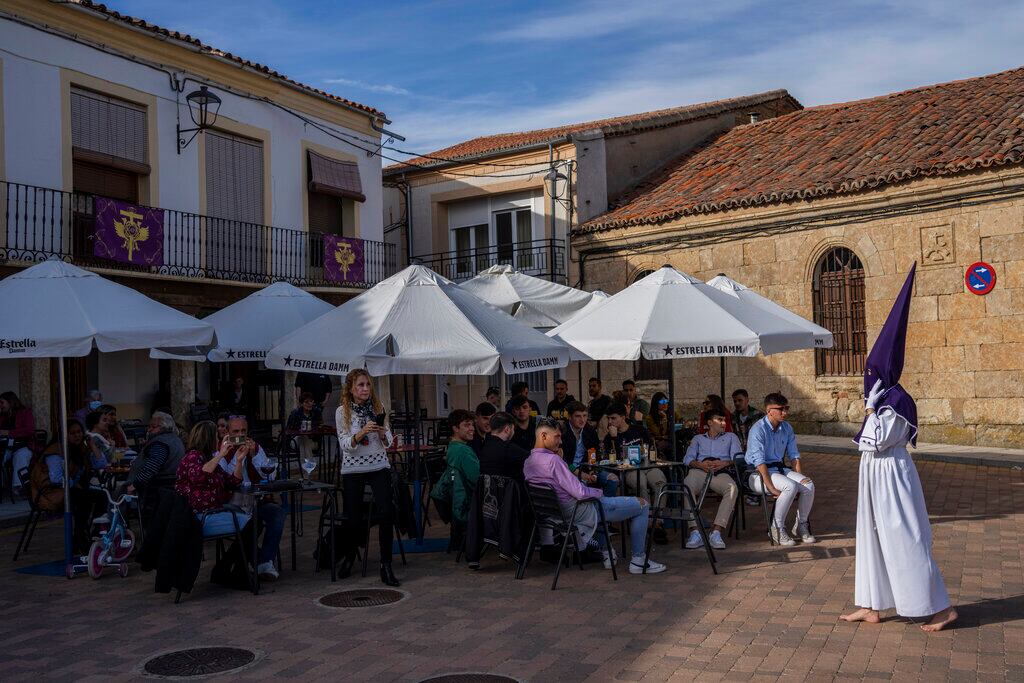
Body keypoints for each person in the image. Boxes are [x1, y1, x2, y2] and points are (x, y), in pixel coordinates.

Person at [840, 264, 957, 632]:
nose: (867, 379)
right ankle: (872, 605)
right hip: (873, 474)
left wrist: (872, 408)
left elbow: (877, 439)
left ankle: (940, 609)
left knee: (904, 537)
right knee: (871, 537)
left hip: (891, 473)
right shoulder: (884, 397)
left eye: (871, 372)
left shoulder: (896, 402)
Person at [524, 417, 667, 574]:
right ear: (544, 436)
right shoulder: (553, 461)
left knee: (599, 504)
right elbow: (580, 493)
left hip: (556, 513)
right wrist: (599, 493)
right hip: (577, 511)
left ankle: (607, 553)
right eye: (557, 437)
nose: (561, 441)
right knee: (643, 504)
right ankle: (639, 560)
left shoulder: (529, 461)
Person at [336, 368, 399, 587]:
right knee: (352, 518)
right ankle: (350, 556)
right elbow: (346, 445)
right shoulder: (342, 412)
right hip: (353, 469)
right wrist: (362, 432)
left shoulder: (378, 407)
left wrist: (382, 432)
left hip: (379, 465)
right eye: (360, 385)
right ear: (351, 389)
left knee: (386, 513)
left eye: (367, 385)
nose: (365, 389)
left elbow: (389, 441)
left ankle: (386, 564)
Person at [216, 415, 285, 581]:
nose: (240, 435)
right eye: (236, 431)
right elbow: (229, 480)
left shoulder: (255, 446)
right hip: (232, 503)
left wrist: (254, 455)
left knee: (276, 513)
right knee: (253, 522)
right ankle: (256, 559)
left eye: (243, 431)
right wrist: (237, 458)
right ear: (227, 432)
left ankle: (265, 562)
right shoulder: (220, 451)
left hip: (254, 500)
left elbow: (270, 473)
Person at [745, 392, 815, 546]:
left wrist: (800, 477)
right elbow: (759, 462)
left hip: (779, 469)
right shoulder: (758, 429)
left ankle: (801, 525)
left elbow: (794, 455)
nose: (785, 412)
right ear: (769, 410)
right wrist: (771, 488)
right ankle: (776, 528)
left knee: (808, 485)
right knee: (789, 486)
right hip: (756, 474)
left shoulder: (786, 427)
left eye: (787, 408)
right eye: (781, 409)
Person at [30, 419, 107, 555]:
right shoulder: (56, 451)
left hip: (72, 490)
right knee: (83, 500)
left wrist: (92, 445)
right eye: (72, 433)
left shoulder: (81, 449)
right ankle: (80, 538)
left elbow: (100, 464)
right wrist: (73, 483)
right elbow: (56, 478)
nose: (77, 436)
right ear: (65, 435)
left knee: (102, 496)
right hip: (53, 492)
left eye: (79, 432)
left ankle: (94, 532)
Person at [604, 402, 668, 544]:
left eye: (613, 418)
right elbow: (611, 460)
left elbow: (651, 447)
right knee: (641, 484)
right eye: (608, 418)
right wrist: (614, 438)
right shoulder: (609, 438)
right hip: (628, 470)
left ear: (622, 417)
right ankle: (648, 522)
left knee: (660, 482)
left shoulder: (638, 430)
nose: (610, 422)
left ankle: (657, 520)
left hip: (646, 466)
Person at [175, 421, 250, 540]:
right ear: (208, 439)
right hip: (198, 517)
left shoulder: (207, 459)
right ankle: (237, 558)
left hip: (212, 512)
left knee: (253, 521)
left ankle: (236, 557)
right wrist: (220, 455)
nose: (218, 440)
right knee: (251, 524)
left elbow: (233, 481)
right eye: (215, 437)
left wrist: (239, 460)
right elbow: (198, 476)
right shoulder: (192, 457)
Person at [682, 408, 742, 550]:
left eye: (724, 420)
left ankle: (716, 531)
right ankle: (695, 531)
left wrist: (724, 463)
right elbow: (687, 459)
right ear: (709, 423)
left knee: (732, 488)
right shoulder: (698, 439)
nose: (723, 423)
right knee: (687, 484)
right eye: (719, 420)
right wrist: (699, 464)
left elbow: (738, 458)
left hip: (720, 471)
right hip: (700, 470)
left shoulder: (731, 437)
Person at [126, 412, 185, 517]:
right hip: (167, 488)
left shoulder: (161, 443)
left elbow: (151, 467)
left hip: (157, 488)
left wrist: (135, 484)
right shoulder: (174, 439)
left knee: (118, 493)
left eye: (153, 427)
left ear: (163, 427)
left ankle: (118, 528)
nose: (149, 430)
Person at [560, 401, 618, 497]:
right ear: (570, 417)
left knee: (613, 479)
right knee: (581, 486)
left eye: (584, 416)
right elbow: (563, 461)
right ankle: (594, 508)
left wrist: (593, 472)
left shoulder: (589, 430)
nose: (582, 420)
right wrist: (580, 474)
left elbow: (596, 453)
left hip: (587, 469)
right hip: (568, 472)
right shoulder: (563, 432)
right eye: (578, 416)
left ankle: (604, 507)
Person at [440, 409, 480, 526]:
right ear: (455, 428)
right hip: (467, 507)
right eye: (467, 425)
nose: (472, 428)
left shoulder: (452, 447)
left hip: (457, 505)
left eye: (472, 424)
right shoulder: (463, 451)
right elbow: (477, 481)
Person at [478, 411, 529, 482]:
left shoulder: (482, 446)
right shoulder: (509, 448)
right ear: (507, 429)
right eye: (513, 429)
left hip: (487, 491)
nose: (513, 432)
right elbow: (533, 459)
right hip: (509, 491)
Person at [1, 391, 36, 492]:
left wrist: (9, 433)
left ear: (10, 402)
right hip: (5, 446)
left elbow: (30, 430)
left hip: (23, 445)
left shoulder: (25, 412)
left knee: (21, 455)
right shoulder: (2, 416)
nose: (1, 405)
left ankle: (18, 487)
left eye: (2, 402)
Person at [286, 392, 323, 461]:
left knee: (304, 441)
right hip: (295, 441)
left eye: (311, 401)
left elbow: (321, 426)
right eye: (306, 402)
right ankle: (309, 466)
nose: (310, 404)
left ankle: (305, 469)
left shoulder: (317, 412)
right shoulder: (295, 413)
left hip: (312, 441)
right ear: (301, 404)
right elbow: (289, 429)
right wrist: (299, 431)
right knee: (303, 437)